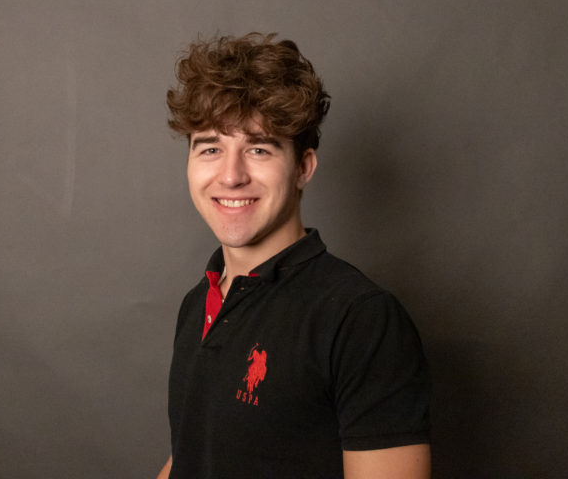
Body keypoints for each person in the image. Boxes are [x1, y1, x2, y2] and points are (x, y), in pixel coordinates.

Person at [157, 32, 431, 479]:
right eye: (210, 148)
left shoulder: (360, 318)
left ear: (304, 167)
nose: (230, 176)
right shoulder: (199, 302)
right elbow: (196, 452)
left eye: (258, 149)